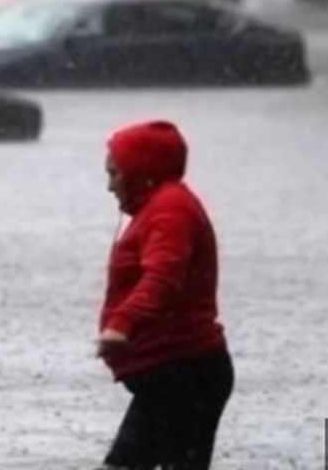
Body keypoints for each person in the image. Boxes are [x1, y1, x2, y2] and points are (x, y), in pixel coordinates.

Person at [96, 120, 234, 470]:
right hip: (178, 370)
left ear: (140, 171)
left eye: (115, 173)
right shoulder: (161, 206)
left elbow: (164, 275)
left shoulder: (170, 210)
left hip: (184, 370)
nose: (110, 185)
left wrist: (121, 324)